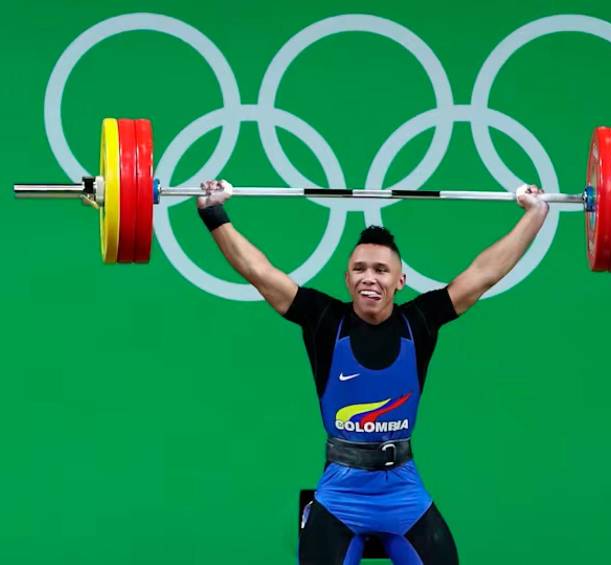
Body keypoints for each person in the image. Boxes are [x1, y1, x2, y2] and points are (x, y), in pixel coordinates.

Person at [196, 180, 548, 564]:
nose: (369, 277)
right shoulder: (324, 320)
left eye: (381, 270)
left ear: (400, 281)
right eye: (359, 269)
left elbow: (484, 273)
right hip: (339, 496)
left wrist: (535, 215)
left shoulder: (420, 321)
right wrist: (214, 212)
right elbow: (258, 272)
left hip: (403, 492)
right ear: (347, 279)